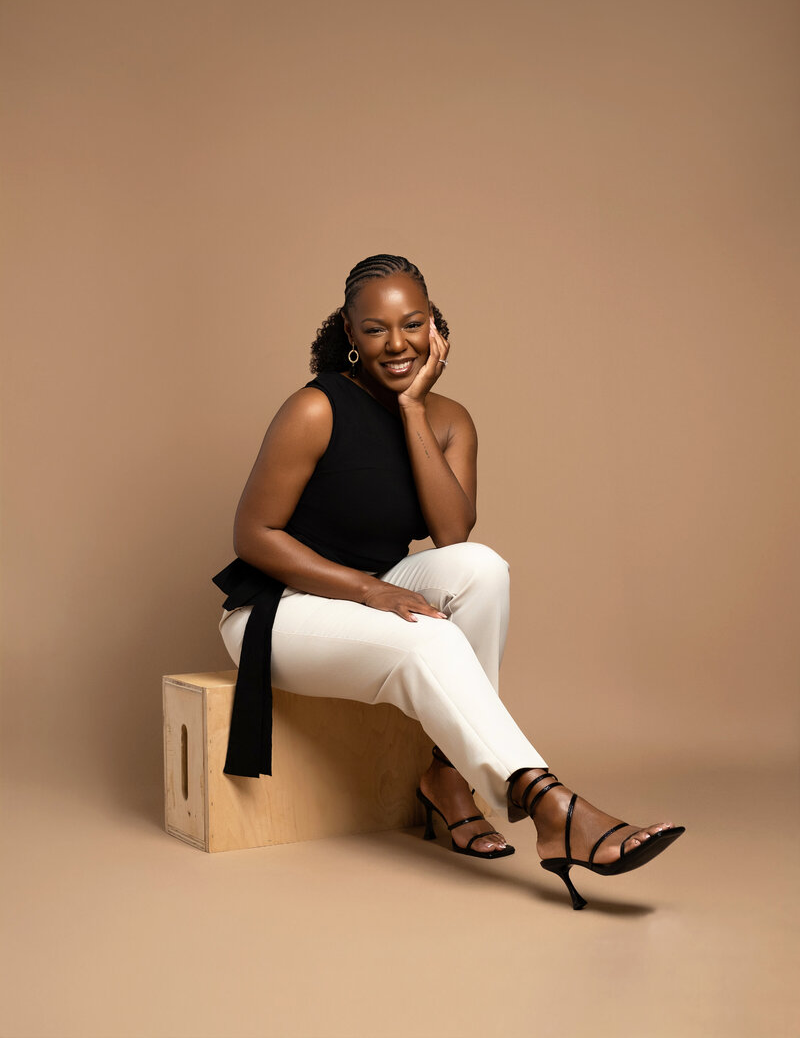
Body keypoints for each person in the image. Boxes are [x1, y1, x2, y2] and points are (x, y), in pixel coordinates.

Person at [213, 253, 684, 909]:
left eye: (413, 324)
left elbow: (452, 534)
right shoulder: (315, 409)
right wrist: (370, 590)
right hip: (279, 612)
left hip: (374, 592)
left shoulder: (449, 418)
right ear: (349, 333)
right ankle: (555, 808)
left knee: (483, 569)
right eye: (376, 328)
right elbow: (254, 536)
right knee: (427, 641)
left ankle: (446, 777)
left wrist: (411, 411)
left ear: (435, 327)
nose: (398, 343)